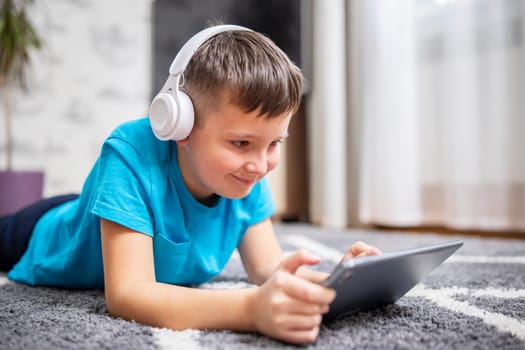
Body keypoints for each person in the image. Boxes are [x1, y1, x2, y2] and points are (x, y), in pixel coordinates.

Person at [0, 25, 381, 344]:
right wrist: (250, 309)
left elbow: (267, 266)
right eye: (241, 143)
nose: (261, 164)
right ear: (178, 125)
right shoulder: (129, 154)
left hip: (103, 208)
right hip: (43, 230)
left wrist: (344, 279)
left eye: (274, 143)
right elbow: (129, 294)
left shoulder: (247, 170)